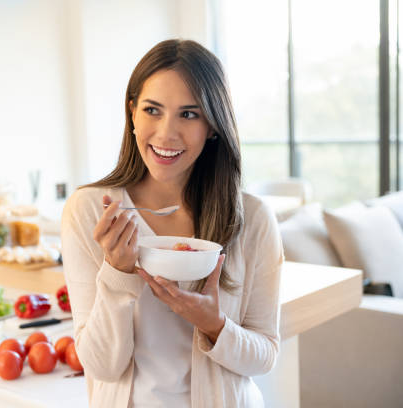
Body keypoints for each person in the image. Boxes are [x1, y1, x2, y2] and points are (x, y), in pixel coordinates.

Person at [60, 39, 283, 408]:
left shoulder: (253, 219)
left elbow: (264, 355)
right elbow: (101, 366)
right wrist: (117, 274)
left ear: (213, 125)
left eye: (189, 114)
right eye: (152, 110)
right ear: (132, 113)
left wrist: (215, 325)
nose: (166, 133)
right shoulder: (91, 211)